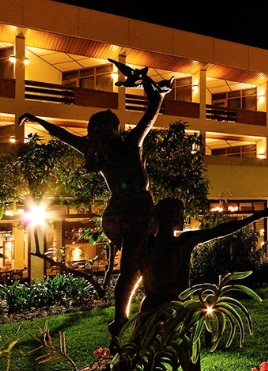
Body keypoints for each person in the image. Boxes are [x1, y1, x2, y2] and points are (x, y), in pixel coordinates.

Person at [18, 64, 166, 336]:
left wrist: (37, 119)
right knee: (137, 263)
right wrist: (153, 87)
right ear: (113, 128)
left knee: (136, 264)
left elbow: (62, 135)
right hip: (136, 209)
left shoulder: (93, 149)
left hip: (114, 215)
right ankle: (123, 319)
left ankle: (126, 315)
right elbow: (153, 110)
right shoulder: (129, 143)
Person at [136, 198, 268, 371]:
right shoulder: (177, 242)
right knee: (160, 358)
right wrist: (258, 215)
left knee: (152, 358)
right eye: (181, 216)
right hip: (169, 308)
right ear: (171, 218)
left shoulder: (149, 244)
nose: (184, 221)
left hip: (162, 307)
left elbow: (219, 231)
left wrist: (258, 215)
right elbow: (219, 231)